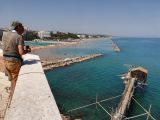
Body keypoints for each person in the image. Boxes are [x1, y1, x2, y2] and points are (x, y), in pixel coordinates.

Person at [2, 21, 30, 102]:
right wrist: (27, 51)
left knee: (12, 80)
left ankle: (10, 95)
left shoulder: (5, 34)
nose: (23, 29)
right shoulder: (19, 36)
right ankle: (12, 100)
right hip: (14, 62)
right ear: (18, 27)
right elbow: (21, 52)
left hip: (5, 60)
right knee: (15, 82)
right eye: (22, 27)